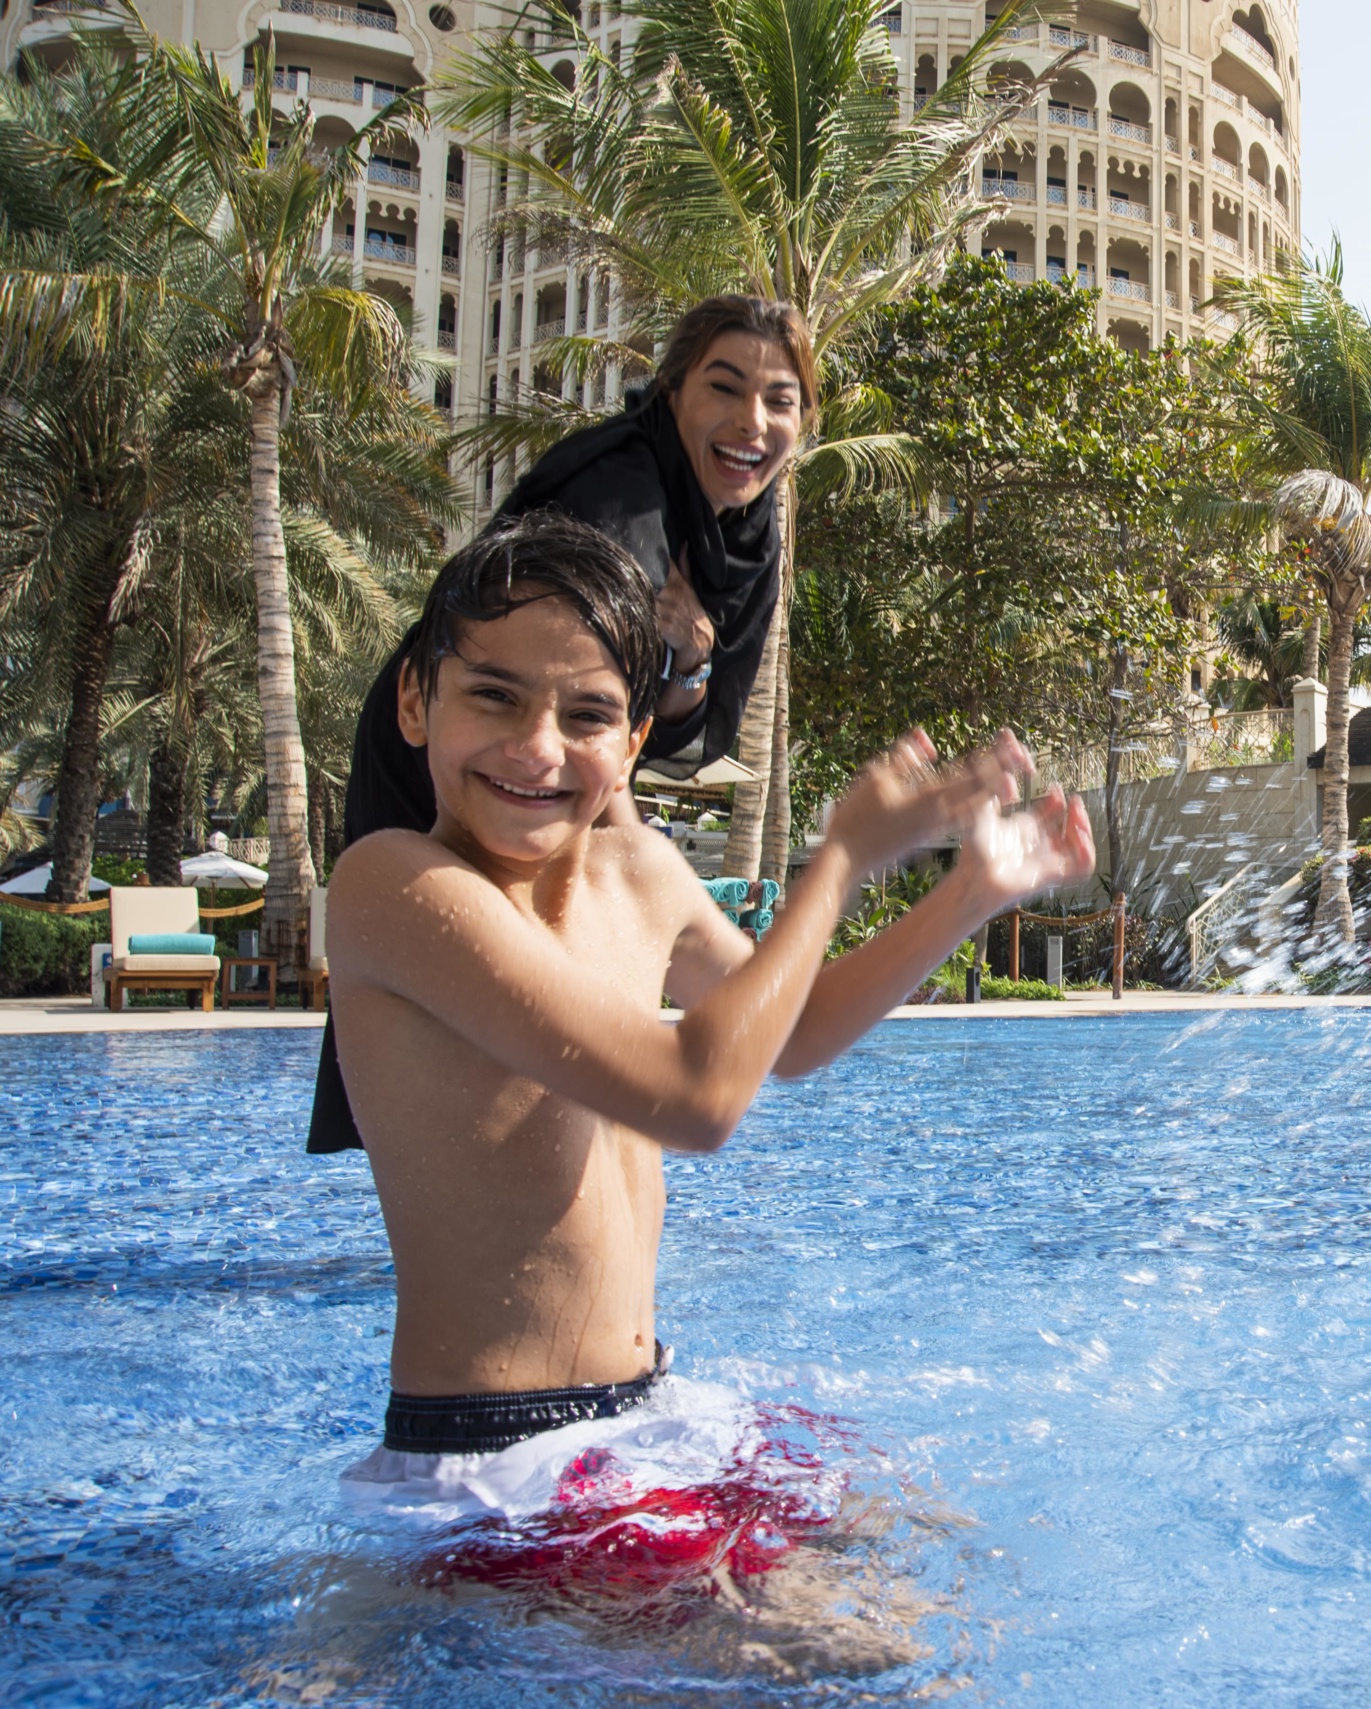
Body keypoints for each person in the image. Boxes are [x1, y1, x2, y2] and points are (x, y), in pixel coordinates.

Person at [327, 515, 1091, 1493]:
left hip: (640, 1411)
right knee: (843, 1636)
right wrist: (844, 858)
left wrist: (967, 895)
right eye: (494, 697)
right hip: (490, 1455)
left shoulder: (640, 871)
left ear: (637, 738)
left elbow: (793, 1027)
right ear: (415, 700)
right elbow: (699, 1095)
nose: (537, 748)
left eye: (588, 715)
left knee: (917, 1574)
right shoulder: (392, 884)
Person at [310, 294, 813, 1155]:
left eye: (780, 399)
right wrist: (636, 860)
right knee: (480, 988)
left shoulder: (748, 543)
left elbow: (680, 730)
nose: (750, 421)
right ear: (670, 391)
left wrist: (688, 662)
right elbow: (562, 698)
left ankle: (544, 1173)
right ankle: (480, 1197)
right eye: (723, 388)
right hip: (454, 743)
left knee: (559, 992)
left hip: (572, 760)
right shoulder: (618, 492)